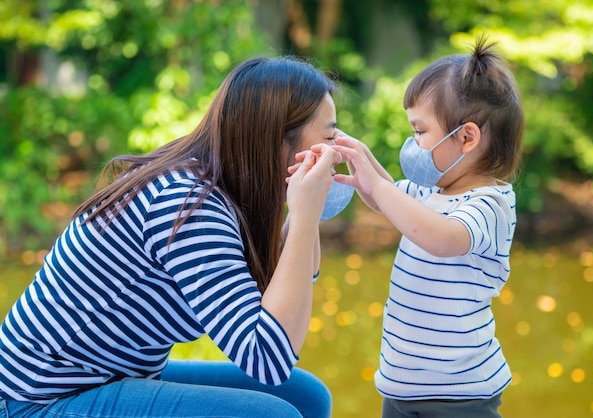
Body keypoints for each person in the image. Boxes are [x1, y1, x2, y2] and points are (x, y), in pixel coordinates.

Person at [0, 55, 346, 418]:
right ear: (276, 139)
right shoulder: (188, 205)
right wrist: (305, 215)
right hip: (37, 397)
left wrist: (307, 211)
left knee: (306, 396)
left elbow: (296, 283)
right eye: (328, 136)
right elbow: (269, 358)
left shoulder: (219, 181)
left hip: (108, 376)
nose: (335, 150)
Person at [327, 36, 524, 417]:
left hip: (460, 396)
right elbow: (388, 204)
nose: (412, 143)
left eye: (420, 131)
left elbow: (439, 237)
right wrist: (359, 158)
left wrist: (378, 184)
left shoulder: (488, 205)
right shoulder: (431, 190)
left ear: (466, 137)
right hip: (402, 388)